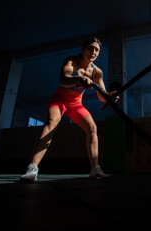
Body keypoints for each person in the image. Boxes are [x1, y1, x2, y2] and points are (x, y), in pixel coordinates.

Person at [20, 37, 118, 181]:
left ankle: (95, 169)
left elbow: (101, 96)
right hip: (59, 100)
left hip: (76, 104)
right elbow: (63, 79)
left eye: (96, 49)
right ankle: (33, 168)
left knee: (92, 128)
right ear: (83, 48)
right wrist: (78, 79)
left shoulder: (97, 72)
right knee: (51, 122)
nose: (93, 52)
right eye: (90, 48)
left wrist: (110, 96)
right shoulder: (72, 61)